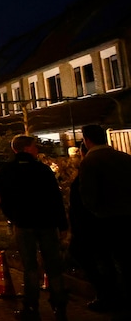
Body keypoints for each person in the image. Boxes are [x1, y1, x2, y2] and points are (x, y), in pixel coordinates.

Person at [0, 135, 69, 321]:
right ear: (26, 148)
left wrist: (14, 218)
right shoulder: (42, 170)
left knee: (30, 266)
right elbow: (55, 198)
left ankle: (31, 307)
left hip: (24, 224)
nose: (37, 149)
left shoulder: (7, 171)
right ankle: (60, 306)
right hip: (47, 222)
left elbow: (4, 200)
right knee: (53, 265)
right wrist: (62, 224)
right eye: (34, 146)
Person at [73, 124, 131, 315]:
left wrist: (94, 214)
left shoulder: (90, 162)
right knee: (125, 259)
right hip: (127, 218)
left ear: (87, 140)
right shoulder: (124, 158)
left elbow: (88, 195)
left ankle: (112, 299)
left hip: (103, 221)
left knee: (104, 262)